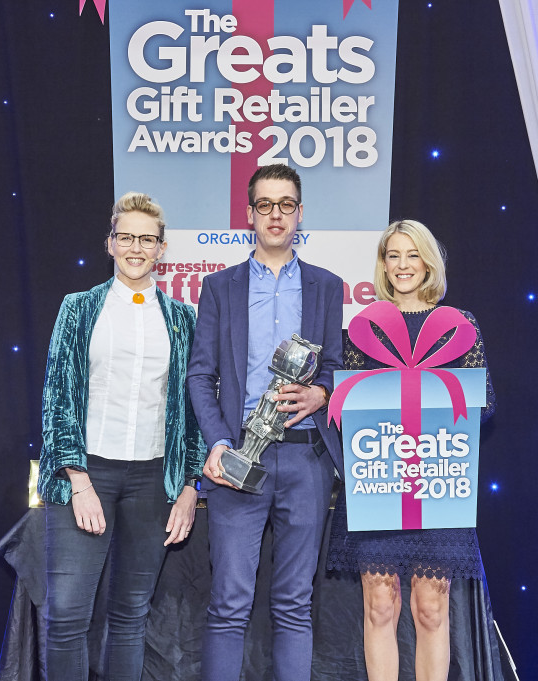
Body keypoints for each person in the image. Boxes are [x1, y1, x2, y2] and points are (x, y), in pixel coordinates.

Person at [37, 192, 207, 681]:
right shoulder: (79, 308)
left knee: (131, 617)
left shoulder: (182, 319)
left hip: (153, 480)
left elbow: (191, 410)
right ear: (110, 243)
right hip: (85, 474)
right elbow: (57, 399)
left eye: (147, 239)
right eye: (127, 237)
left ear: (162, 248)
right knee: (68, 617)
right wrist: (79, 480)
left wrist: (190, 487)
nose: (137, 248)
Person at [186, 164, 344, 681]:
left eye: (287, 204)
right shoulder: (220, 287)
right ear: (249, 213)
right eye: (265, 205)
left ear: (301, 213)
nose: (276, 215)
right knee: (229, 604)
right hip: (239, 459)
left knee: (295, 605)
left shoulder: (327, 286)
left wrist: (322, 392)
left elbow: (340, 367)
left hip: (306, 458)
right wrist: (218, 443)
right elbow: (199, 375)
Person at [326, 220, 498, 681]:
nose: (403, 265)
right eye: (393, 256)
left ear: (428, 262)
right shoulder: (365, 327)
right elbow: (348, 405)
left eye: (412, 255)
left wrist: (428, 422)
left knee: (430, 608)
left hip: (436, 481)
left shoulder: (459, 325)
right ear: (383, 265)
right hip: (379, 478)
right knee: (381, 606)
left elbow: (484, 403)